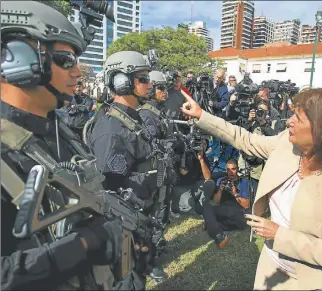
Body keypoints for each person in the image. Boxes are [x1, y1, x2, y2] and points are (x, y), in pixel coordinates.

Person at [180, 87, 322, 290]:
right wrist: (202, 115)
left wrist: (278, 234)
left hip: (313, 282)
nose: (289, 121)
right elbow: (246, 139)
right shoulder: (286, 144)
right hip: (272, 266)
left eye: (298, 118)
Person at [1, 1, 124, 290]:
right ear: (17, 58)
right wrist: (84, 243)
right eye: (66, 60)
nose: (78, 72)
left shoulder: (58, 131)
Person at [85, 51, 168, 283]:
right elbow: (108, 188)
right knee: (128, 278)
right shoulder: (111, 129)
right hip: (125, 223)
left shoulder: (133, 117)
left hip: (142, 210)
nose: (149, 84)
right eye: (142, 78)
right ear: (121, 82)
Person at [203, 159, 256, 248]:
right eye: (228, 169)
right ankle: (219, 234)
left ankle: (211, 225)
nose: (231, 172)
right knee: (207, 203)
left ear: (238, 169)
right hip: (225, 212)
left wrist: (235, 193)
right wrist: (220, 190)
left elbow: (246, 205)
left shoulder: (243, 182)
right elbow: (215, 202)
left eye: (233, 169)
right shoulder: (222, 180)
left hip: (239, 215)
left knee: (211, 218)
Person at [171, 139, 215, 216]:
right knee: (189, 205)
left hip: (194, 185)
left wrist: (201, 160)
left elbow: (208, 177)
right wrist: (179, 171)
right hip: (181, 186)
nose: (202, 146)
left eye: (204, 144)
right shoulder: (183, 153)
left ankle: (201, 206)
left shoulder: (201, 155)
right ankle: (175, 206)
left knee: (210, 184)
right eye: (200, 143)